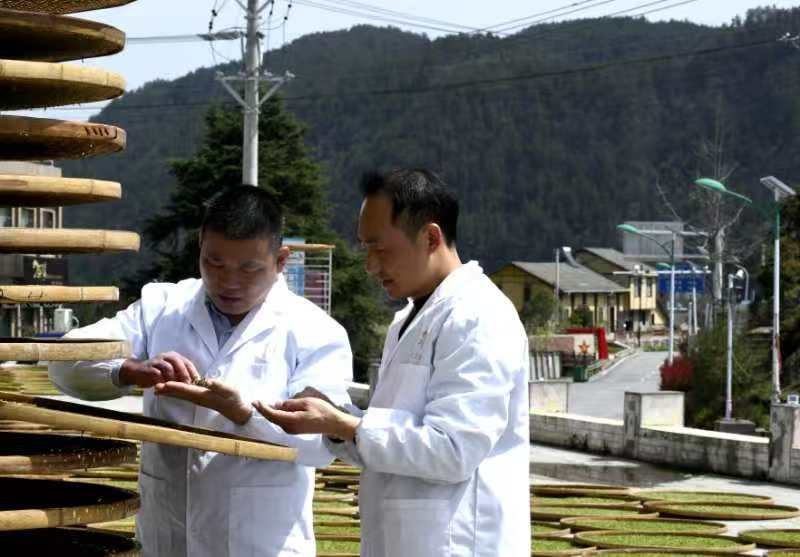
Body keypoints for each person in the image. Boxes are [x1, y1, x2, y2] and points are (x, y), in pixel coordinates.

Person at [48, 185, 353, 557]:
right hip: (167, 537)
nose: (229, 281)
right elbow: (64, 360)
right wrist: (129, 371)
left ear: (280, 260)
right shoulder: (161, 306)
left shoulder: (315, 330)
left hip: (261, 545)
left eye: (249, 268)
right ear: (200, 248)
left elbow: (323, 445)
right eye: (214, 263)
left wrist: (243, 414)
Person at [256, 169, 531, 557]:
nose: (370, 265)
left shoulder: (478, 316)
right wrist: (336, 422)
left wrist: (346, 425)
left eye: (380, 249)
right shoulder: (408, 319)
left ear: (430, 237)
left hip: (457, 543)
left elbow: (454, 450)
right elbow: (390, 433)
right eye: (365, 249)